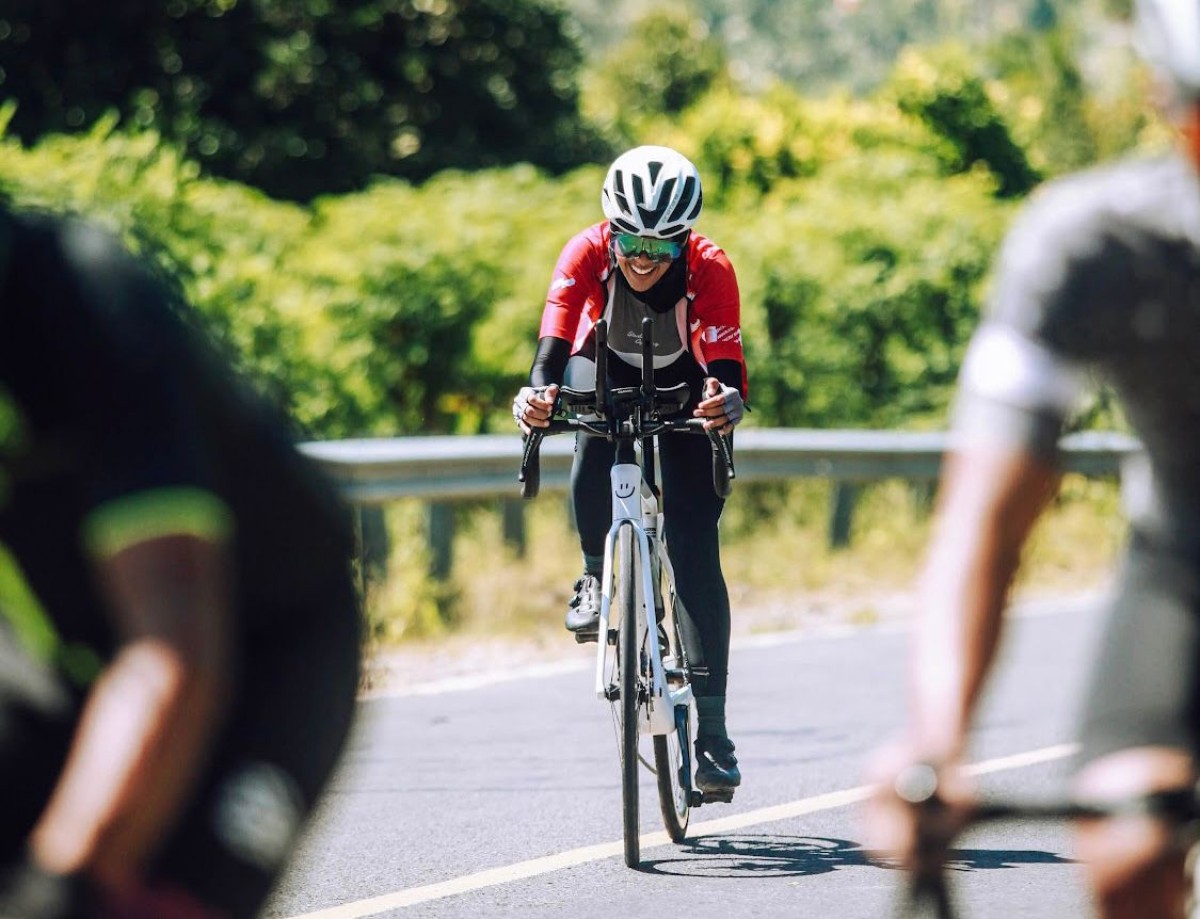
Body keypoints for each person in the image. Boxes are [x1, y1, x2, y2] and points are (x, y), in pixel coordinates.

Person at [865, 1, 1200, 915]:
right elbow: (986, 517)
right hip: (1185, 566)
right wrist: (936, 744)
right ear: (1164, 104)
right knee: (1130, 859)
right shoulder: (1092, 245)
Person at [0, 203, 361, 917]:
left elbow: (171, 650)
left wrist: (65, 879)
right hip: (63, 651)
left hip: (261, 649)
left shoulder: (79, 296)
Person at [512, 145, 748, 797]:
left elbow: (727, 362)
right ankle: (594, 575)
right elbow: (555, 340)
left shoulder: (711, 265)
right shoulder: (586, 251)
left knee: (695, 547)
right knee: (586, 418)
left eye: (662, 248)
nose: (643, 259)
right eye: (632, 242)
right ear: (611, 231)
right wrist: (536, 395)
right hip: (604, 371)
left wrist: (725, 401)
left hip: (684, 383)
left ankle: (715, 737)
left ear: (685, 241)